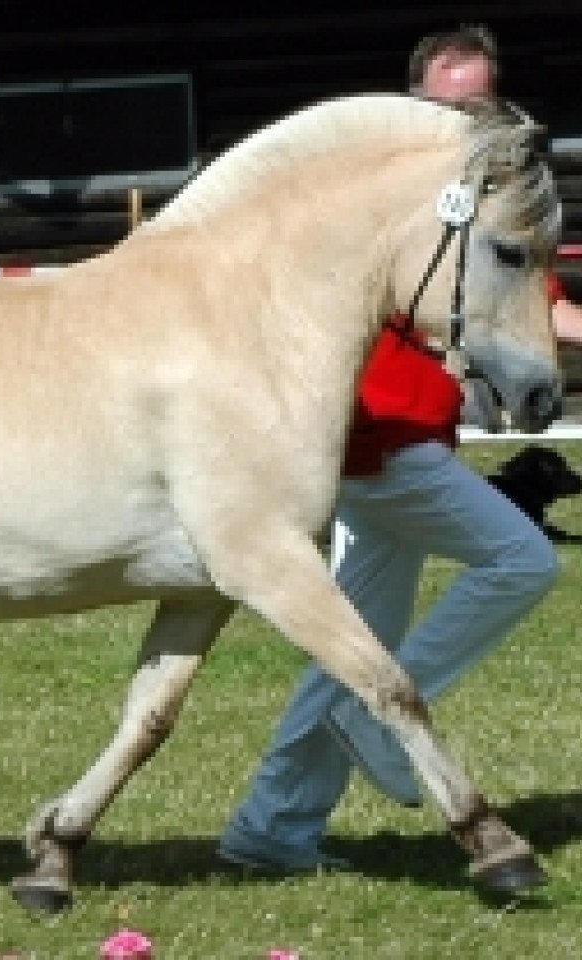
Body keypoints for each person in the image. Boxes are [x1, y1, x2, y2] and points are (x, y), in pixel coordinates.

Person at [217, 24, 576, 874]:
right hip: (381, 443)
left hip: (405, 444)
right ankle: (381, 718)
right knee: (522, 561)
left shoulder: (480, 215)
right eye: (446, 105)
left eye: (478, 105)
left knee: (352, 648)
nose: (462, 121)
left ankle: (272, 828)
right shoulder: (380, 207)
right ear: (411, 102)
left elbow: (540, 308)